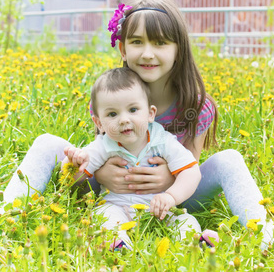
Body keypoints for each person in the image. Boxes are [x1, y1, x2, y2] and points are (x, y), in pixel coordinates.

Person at [1, 0, 273, 250]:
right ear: (122, 48)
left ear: (179, 49)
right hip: (112, 191)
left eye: (160, 43)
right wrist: (98, 172)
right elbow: (104, 146)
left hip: (176, 196)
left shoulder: (196, 106)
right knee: (47, 143)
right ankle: (8, 213)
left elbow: (191, 164)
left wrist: (167, 182)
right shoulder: (110, 98)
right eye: (137, 42)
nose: (147, 53)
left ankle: (263, 234)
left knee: (229, 159)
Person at [64, 67, 217, 249]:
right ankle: (119, 245)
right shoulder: (103, 145)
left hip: (160, 209)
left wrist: (170, 197)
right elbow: (77, 180)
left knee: (184, 219)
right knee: (104, 214)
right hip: (118, 206)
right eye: (112, 114)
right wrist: (73, 165)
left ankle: (194, 243)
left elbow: (191, 171)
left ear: (150, 114)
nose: (123, 120)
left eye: (133, 110)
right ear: (99, 123)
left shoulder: (162, 140)